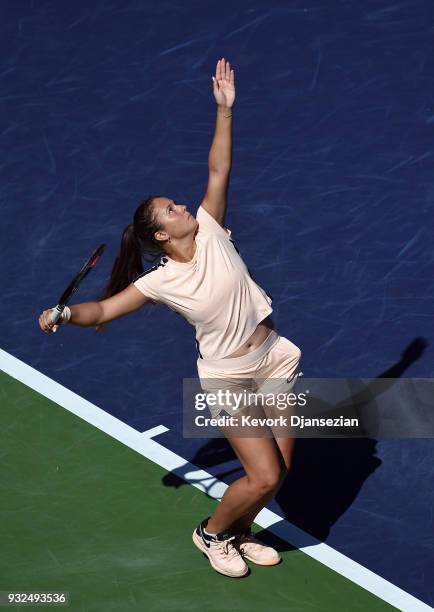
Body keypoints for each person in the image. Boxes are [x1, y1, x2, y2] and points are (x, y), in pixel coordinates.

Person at [38, 58, 302, 579]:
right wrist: (67, 313)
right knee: (263, 472)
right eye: (172, 209)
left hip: (274, 357)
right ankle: (211, 533)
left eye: (178, 203)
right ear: (161, 235)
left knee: (279, 474)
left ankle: (241, 532)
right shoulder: (158, 282)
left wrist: (224, 111)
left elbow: (218, 170)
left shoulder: (210, 227)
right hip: (228, 376)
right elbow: (105, 309)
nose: (183, 206)